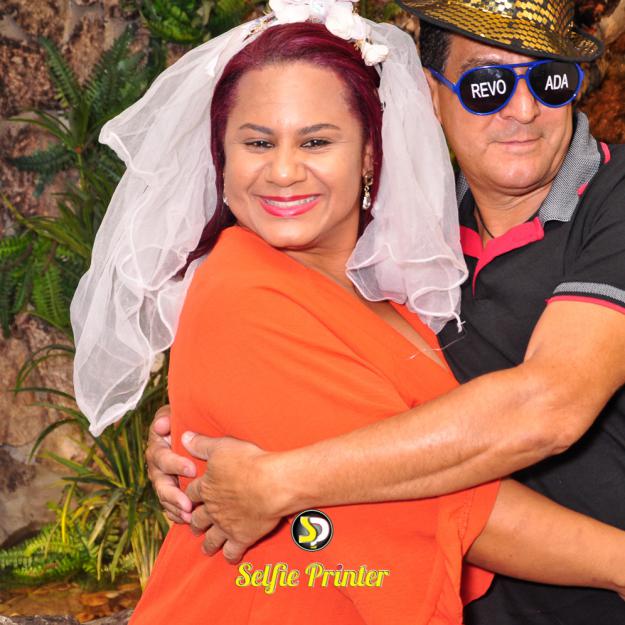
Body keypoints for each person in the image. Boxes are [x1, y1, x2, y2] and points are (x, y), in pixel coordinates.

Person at [146, 0, 625, 623]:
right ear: (431, 94)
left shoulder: (410, 258)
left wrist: (279, 478)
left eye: (550, 79)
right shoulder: (419, 245)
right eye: (486, 85)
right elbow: (405, 462)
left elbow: (548, 405)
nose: (523, 109)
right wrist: (199, 425)